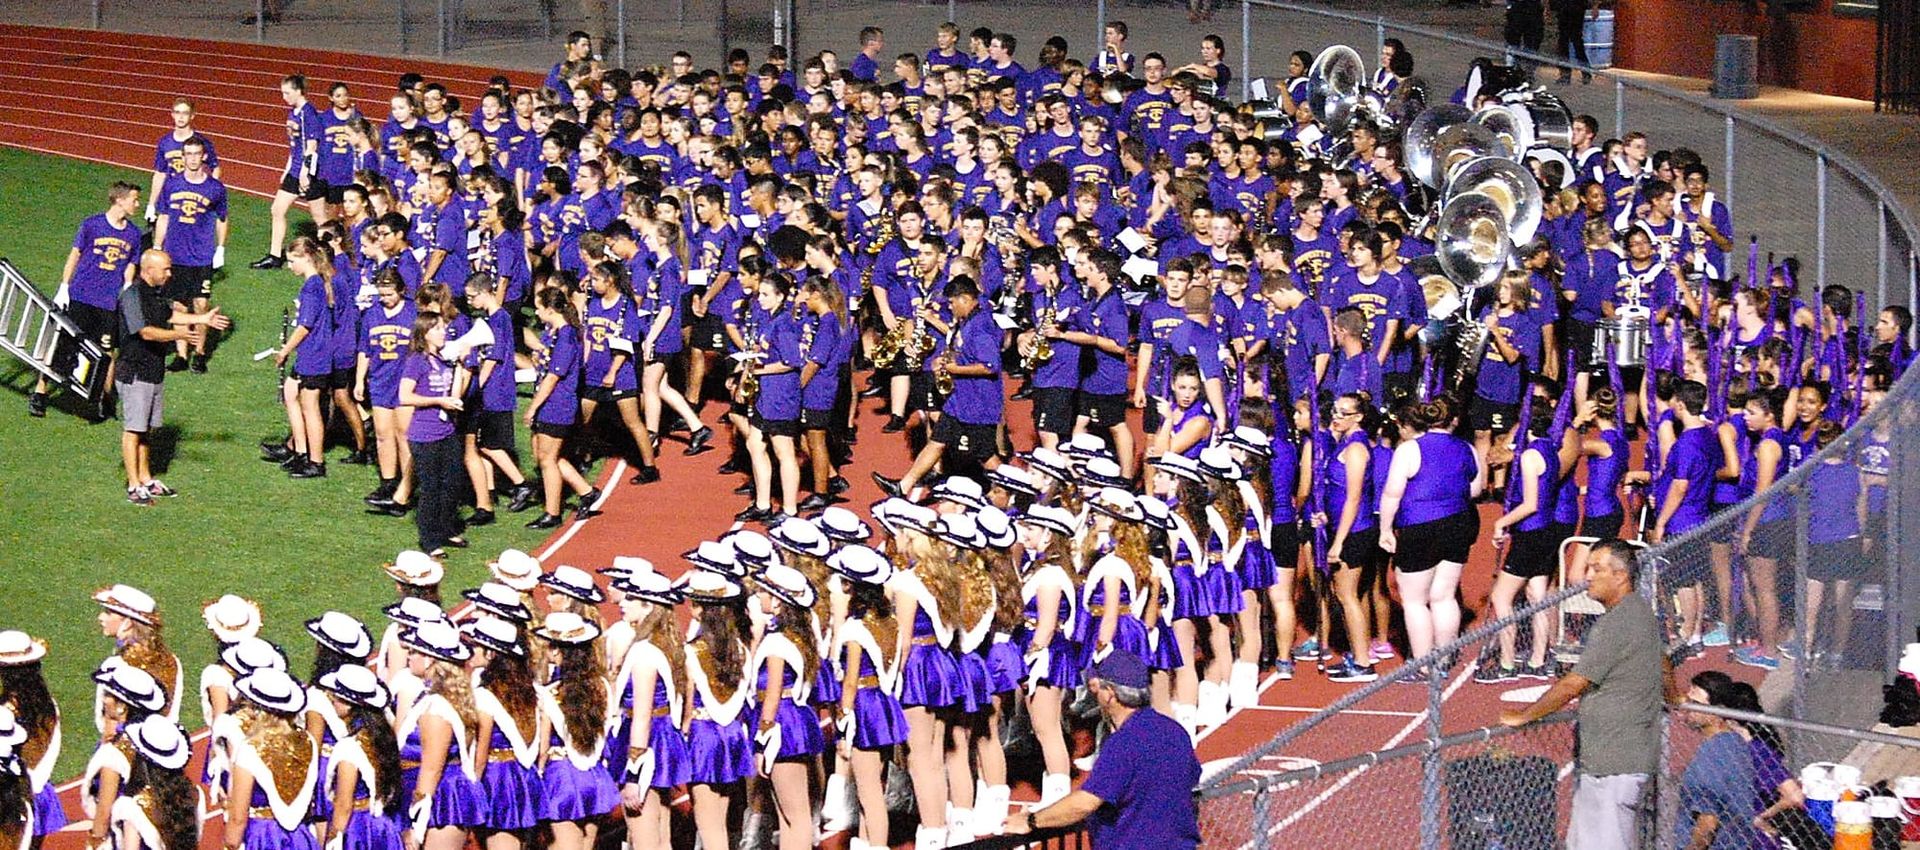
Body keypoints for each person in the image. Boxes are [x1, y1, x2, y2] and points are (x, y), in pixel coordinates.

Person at [1502, 538, 1672, 850]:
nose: (1587, 576)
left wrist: (1525, 716)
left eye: (1597, 569)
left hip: (1613, 765)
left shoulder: (1615, 624)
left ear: (1620, 576)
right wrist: (1675, 698)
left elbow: (1573, 683)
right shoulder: (1641, 611)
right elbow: (1662, 660)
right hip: (1617, 760)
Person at [1001, 651, 1199, 850]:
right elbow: (1191, 778)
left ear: (1110, 694)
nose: (1094, 689)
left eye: (1099, 685)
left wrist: (1031, 821)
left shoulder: (1124, 743)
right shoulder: (1175, 731)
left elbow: (1086, 802)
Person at [112, 250, 232, 505]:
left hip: (152, 370)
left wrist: (202, 318)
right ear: (148, 270)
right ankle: (133, 485)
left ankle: (146, 478)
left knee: (147, 429)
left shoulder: (156, 294)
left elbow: (169, 316)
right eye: (165, 269)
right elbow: (144, 332)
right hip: (135, 371)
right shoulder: (132, 295)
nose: (169, 273)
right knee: (133, 429)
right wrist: (180, 336)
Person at [31, 181, 144, 421]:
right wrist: (64, 286)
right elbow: (75, 255)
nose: (137, 204)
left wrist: (125, 288)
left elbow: (130, 266)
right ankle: (40, 391)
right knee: (64, 344)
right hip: (82, 296)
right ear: (120, 200)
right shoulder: (92, 225)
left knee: (107, 352)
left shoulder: (134, 234)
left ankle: (105, 398)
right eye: (134, 199)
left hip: (108, 303)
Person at [150, 137, 228, 373]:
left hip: (201, 257)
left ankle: (200, 353)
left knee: (200, 305)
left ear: (204, 156)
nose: (193, 158)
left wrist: (221, 248)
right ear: (182, 157)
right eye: (188, 154)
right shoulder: (172, 185)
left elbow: (222, 219)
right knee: (179, 307)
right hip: (175, 257)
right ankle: (182, 355)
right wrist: (157, 246)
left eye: (197, 154)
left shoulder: (215, 188)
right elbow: (163, 217)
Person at [397, 311, 468, 556]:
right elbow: (405, 396)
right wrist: (438, 401)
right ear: (424, 334)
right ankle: (429, 540)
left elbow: (455, 395)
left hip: (446, 431)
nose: (443, 332)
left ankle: (446, 529)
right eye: (437, 328)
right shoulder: (416, 361)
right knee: (431, 487)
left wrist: (459, 365)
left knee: (452, 483)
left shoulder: (443, 359)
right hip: (424, 434)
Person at [251, 74, 327, 269]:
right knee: (277, 209)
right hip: (294, 170)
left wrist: (305, 172)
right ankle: (275, 256)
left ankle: (331, 256)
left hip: (309, 173)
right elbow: (295, 147)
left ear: (299, 91)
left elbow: (311, 146)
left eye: (287, 93)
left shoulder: (308, 114)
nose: (284, 97)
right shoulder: (293, 113)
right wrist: (287, 169)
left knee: (319, 217)